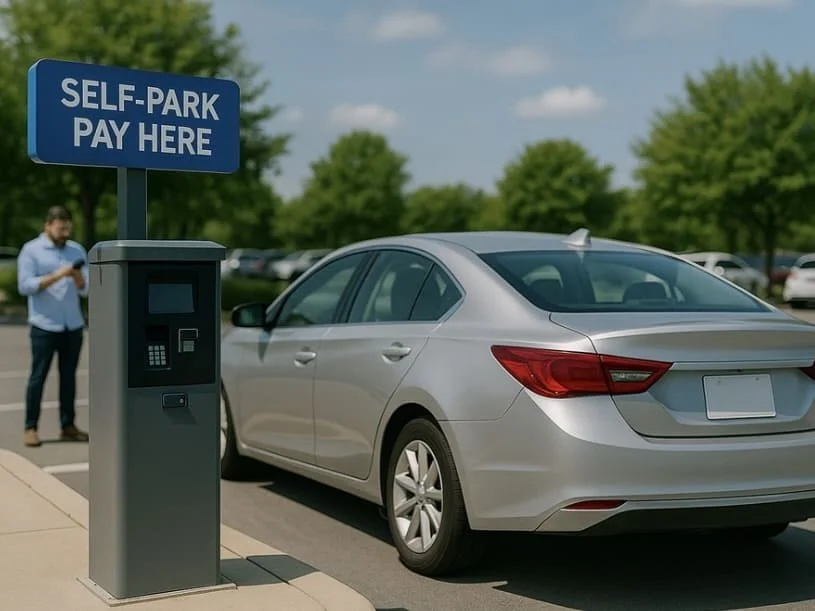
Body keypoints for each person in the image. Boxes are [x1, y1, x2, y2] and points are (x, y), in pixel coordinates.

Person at [17, 205, 90, 447]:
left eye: (67, 229)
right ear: (48, 225)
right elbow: (24, 286)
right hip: (44, 325)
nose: (64, 234)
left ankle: (67, 425)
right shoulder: (31, 250)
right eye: (60, 229)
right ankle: (31, 427)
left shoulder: (76, 250)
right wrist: (58, 275)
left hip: (73, 324)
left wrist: (78, 277)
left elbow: (87, 289)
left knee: (69, 377)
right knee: (38, 377)